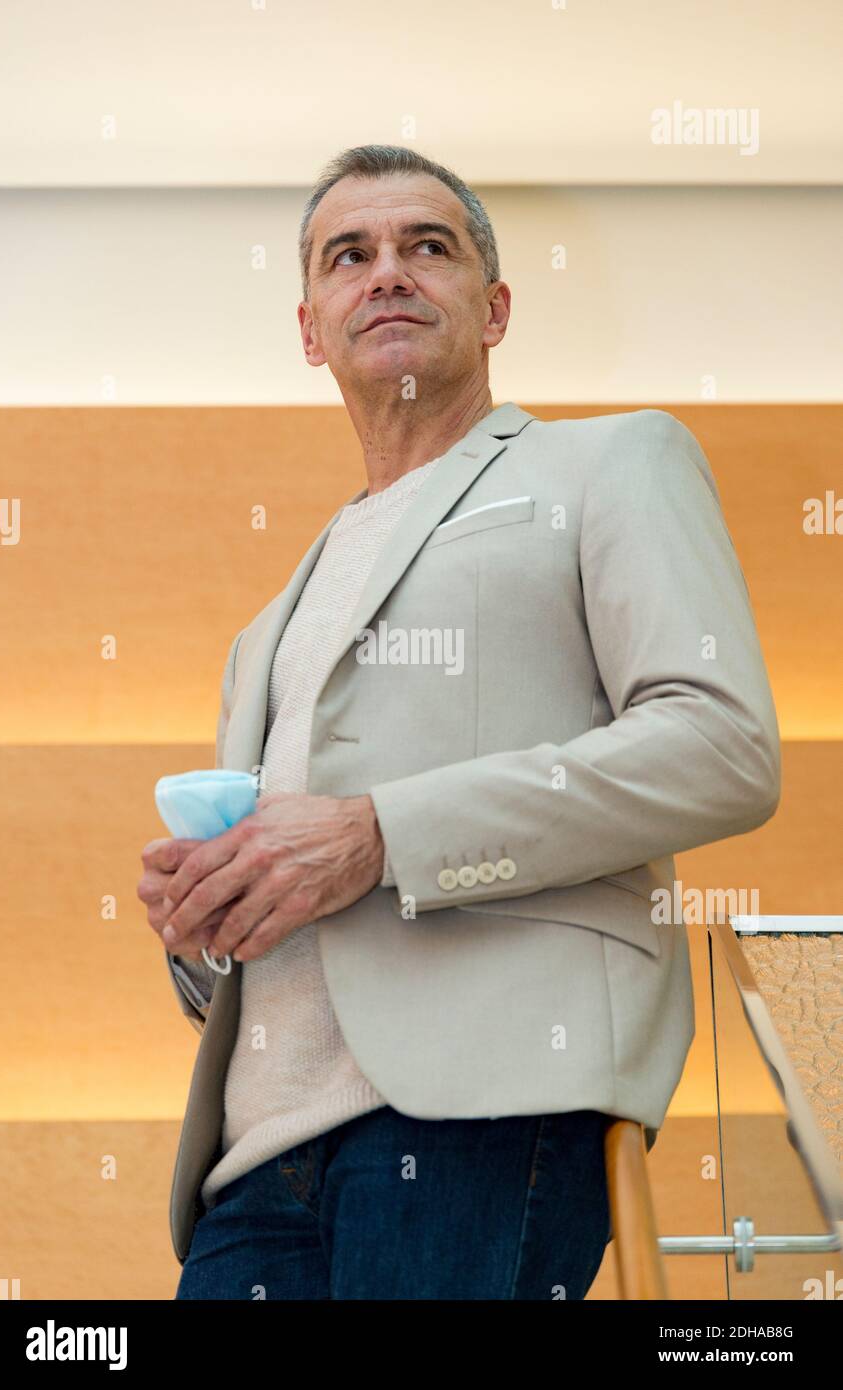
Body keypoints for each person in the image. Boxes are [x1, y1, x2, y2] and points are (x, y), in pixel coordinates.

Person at [136, 143, 781, 1300]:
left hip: (486, 1108)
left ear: (493, 310)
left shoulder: (611, 462)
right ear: (309, 327)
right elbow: (270, 917)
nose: (387, 271)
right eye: (352, 255)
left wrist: (384, 833)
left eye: (426, 246)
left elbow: (720, 745)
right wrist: (205, 925)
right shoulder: (265, 627)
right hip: (252, 1162)